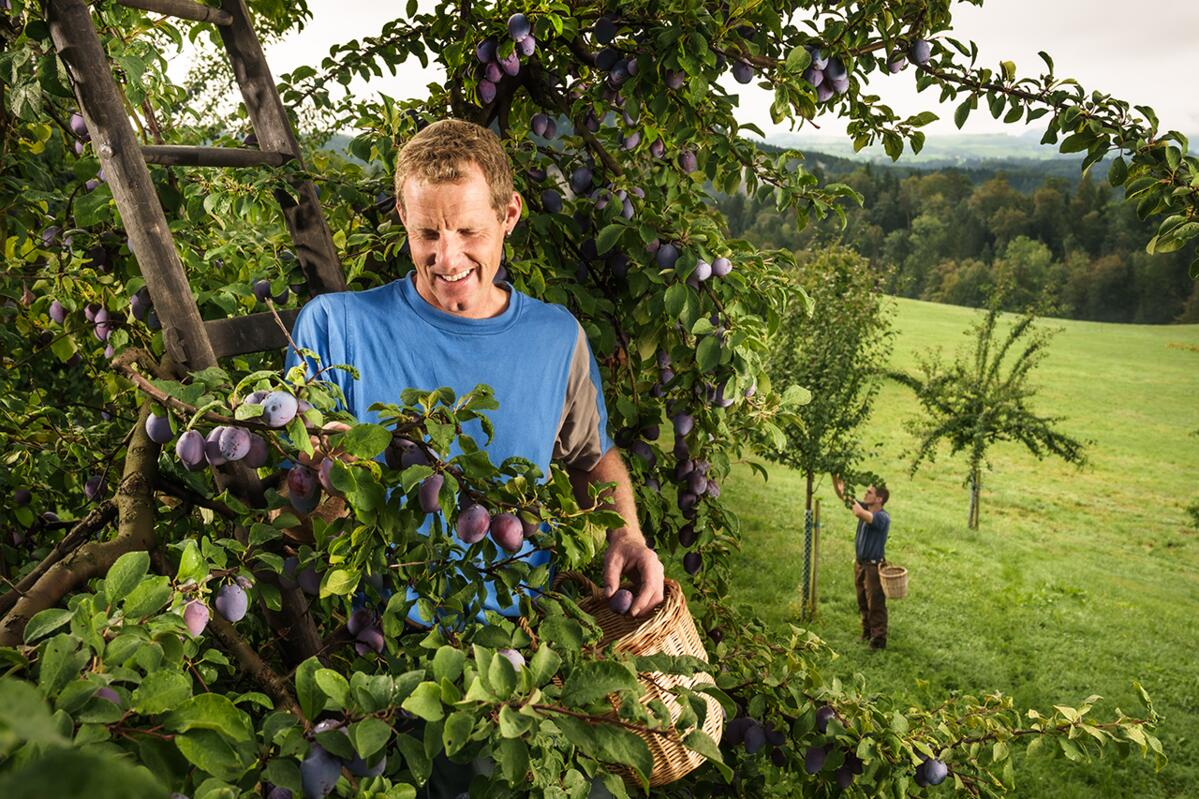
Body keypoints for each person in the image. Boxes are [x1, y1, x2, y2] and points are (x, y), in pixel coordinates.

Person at [284, 119, 658, 797]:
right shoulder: (334, 327)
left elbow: (589, 455)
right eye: (427, 232)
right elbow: (307, 509)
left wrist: (625, 532)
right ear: (402, 214)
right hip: (387, 673)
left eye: (468, 231)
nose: (447, 255)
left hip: (522, 669)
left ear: (508, 215)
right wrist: (323, 475)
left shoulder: (555, 337)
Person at [832, 477, 891, 650]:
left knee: (875, 603)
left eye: (869, 492)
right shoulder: (866, 507)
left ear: (879, 499)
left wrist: (847, 492)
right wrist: (836, 477)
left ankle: (879, 639)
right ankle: (867, 632)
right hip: (860, 564)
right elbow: (843, 495)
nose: (865, 493)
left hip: (873, 566)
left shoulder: (882, 518)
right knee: (862, 600)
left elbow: (858, 513)